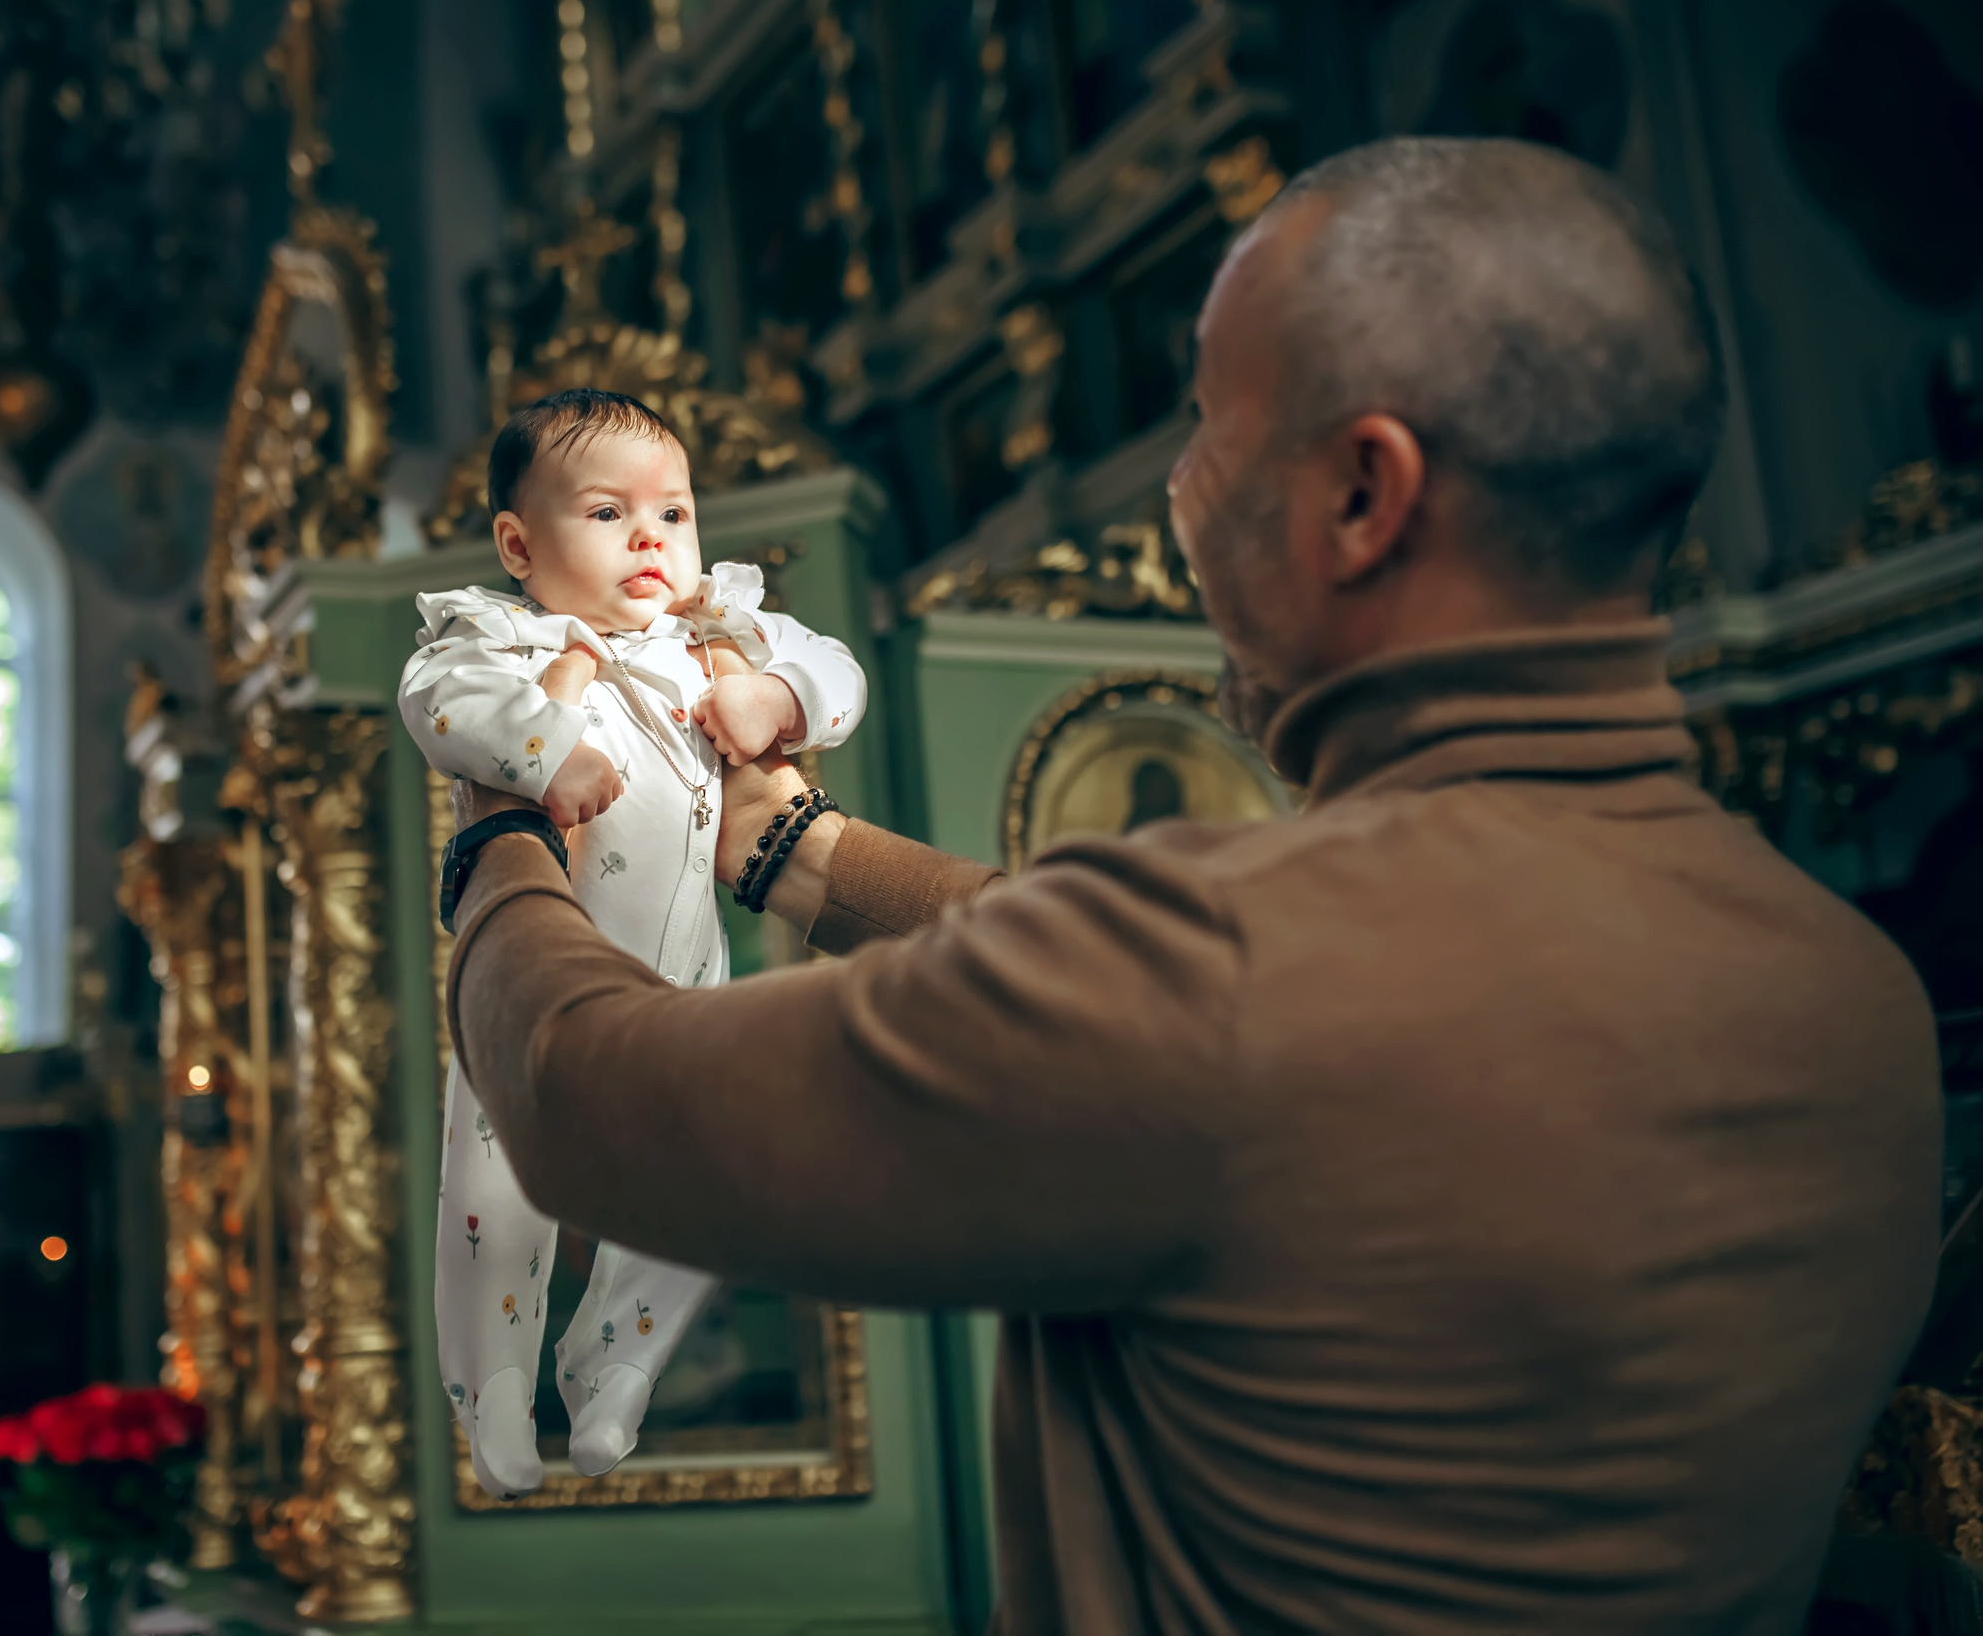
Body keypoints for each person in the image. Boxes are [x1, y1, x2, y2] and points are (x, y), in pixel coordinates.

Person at [433, 137, 1942, 1632]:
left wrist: (499, 833)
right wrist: (799, 851)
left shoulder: (1205, 965)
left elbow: (577, 1096)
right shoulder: (1851, 995)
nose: (1179, 491)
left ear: (1363, 494)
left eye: (1210, 428)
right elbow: (1209, 1013)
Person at [401, 388, 868, 1499]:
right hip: (530, 974)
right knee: (495, 1185)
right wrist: (544, 748)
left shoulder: (719, 630)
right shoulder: (500, 637)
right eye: (608, 513)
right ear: (520, 545)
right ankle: (493, 1387)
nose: (651, 538)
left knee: (697, 1175)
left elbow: (840, 673)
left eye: (673, 513)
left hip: (684, 977)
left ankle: (616, 1362)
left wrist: (778, 700)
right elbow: (439, 703)